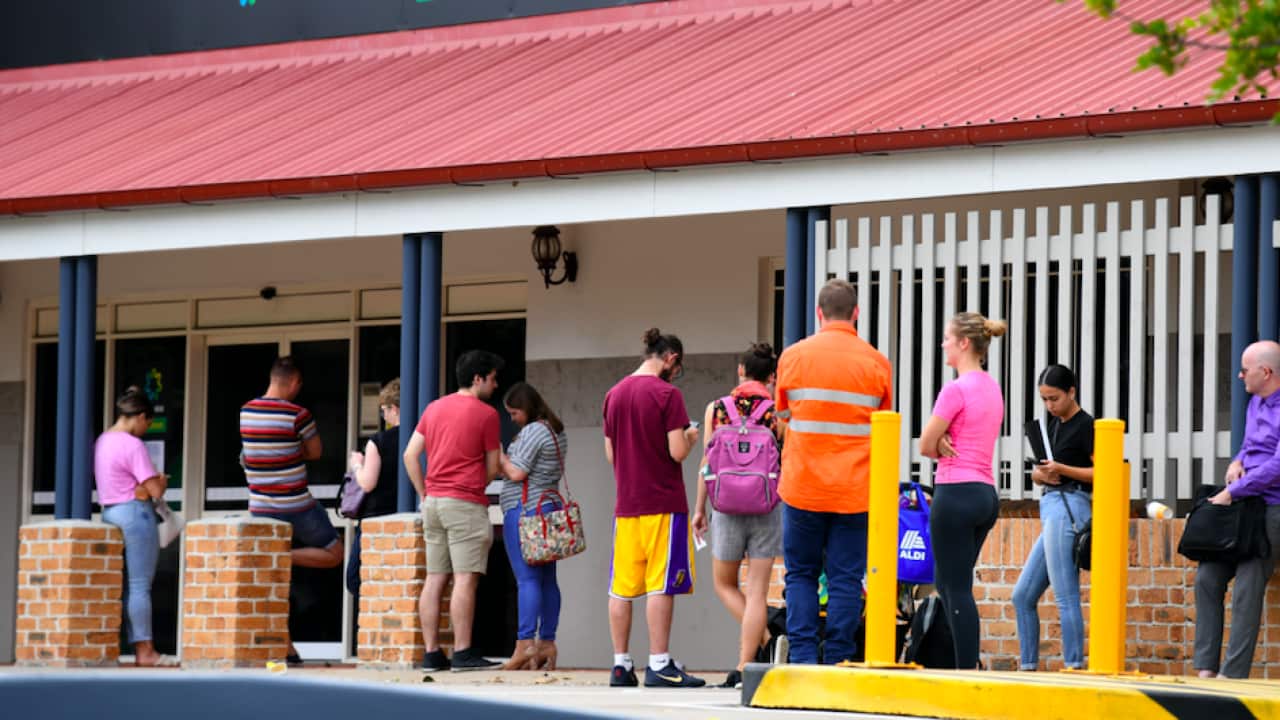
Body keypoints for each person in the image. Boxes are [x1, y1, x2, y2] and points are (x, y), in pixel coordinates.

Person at [775, 279, 892, 665]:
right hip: (854, 490)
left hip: (803, 486)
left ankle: (804, 658)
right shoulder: (877, 363)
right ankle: (840, 658)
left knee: (801, 575)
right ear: (856, 313)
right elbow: (883, 425)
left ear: (819, 313)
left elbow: (784, 417)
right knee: (845, 579)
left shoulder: (792, 357)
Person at [603, 328, 705, 688]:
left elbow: (610, 454)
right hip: (663, 503)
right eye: (678, 368)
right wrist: (691, 437)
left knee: (622, 588)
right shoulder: (667, 394)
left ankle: (620, 664)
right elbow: (677, 451)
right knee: (661, 585)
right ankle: (660, 663)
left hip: (626, 505)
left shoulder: (613, 395)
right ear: (671, 358)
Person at [404, 350, 505, 672]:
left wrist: (424, 492)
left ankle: (432, 653)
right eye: (492, 378)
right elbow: (492, 468)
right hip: (465, 504)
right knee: (465, 579)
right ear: (478, 378)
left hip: (433, 503)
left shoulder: (433, 408)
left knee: (435, 579)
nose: (495, 384)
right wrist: (473, 482)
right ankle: (463, 652)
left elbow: (410, 455)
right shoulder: (486, 414)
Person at [692, 342, 784, 688]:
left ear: (741, 371)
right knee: (758, 591)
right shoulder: (778, 412)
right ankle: (747, 665)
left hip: (726, 507)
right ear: (772, 377)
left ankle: (766, 643)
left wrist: (700, 508)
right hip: (767, 506)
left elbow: (707, 463)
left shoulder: (717, 409)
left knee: (724, 584)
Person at [919, 311, 1006, 669]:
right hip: (985, 494)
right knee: (950, 581)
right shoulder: (992, 387)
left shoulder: (955, 390)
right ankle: (959, 661)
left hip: (955, 492)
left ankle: (966, 670)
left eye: (947, 338)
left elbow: (925, 444)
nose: (943, 344)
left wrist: (939, 443)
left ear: (964, 343)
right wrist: (942, 441)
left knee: (955, 587)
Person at [241, 356, 342, 664]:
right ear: (295, 383)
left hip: (261, 506)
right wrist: (291, 447)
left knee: (273, 580)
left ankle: (284, 648)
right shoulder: (298, 414)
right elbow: (315, 452)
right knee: (335, 552)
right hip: (297, 505)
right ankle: (285, 556)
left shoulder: (246, 411)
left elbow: (248, 455)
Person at [1193, 340, 1280, 679]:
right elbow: (1249, 444)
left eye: (1245, 369)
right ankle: (1205, 670)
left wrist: (1235, 491)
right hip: (1243, 502)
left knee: (1247, 581)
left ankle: (1233, 675)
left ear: (1267, 372)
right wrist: (1237, 461)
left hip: (1272, 507)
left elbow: (1276, 465)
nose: (1240, 375)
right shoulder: (1255, 403)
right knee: (1207, 577)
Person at [1011, 364, 1094, 670]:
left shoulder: (1087, 425)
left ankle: (1074, 665)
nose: (1049, 405)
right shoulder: (1052, 424)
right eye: (1044, 399)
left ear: (1072, 392)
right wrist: (1041, 475)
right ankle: (1028, 666)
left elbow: (1103, 472)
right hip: (1051, 506)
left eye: (1054, 398)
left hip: (1071, 506)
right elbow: (1045, 471)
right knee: (1022, 596)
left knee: (1065, 594)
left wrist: (1062, 470)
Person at [96, 386, 173, 666]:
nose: (146, 429)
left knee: (121, 586)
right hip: (136, 515)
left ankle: (121, 648)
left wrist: (144, 486)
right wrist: (160, 480)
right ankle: (145, 651)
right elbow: (153, 491)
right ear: (140, 416)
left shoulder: (102, 441)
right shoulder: (133, 445)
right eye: (147, 423)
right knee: (140, 586)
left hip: (110, 514)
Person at [497, 382, 568, 671]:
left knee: (527, 580)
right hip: (548, 509)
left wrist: (498, 454)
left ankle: (525, 644)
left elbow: (516, 471)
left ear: (526, 408)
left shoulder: (533, 431)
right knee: (547, 579)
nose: (512, 418)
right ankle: (546, 642)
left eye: (514, 413)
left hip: (525, 512)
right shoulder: (556, 430)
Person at [345, 378, 403, 643]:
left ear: (393, 408)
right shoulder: (421, 438)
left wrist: (357, 464)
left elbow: (368, 482)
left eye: (384, 409)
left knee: (356, 579)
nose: (383, 415)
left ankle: (378, 628)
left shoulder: (378, 441)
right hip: (402, 517)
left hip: (375, 521)